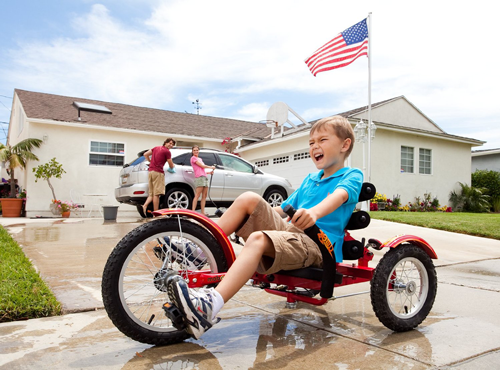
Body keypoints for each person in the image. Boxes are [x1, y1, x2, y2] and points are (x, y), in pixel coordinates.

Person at [167, 116, 363, 339]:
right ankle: (199, 251)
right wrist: (258, 212)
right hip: (292, 233)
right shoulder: (311, 179)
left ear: (344, 145)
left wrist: (314, 213)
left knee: (258, 239)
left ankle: (209, 307)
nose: (315, 146)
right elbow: (283, 208)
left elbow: (339, 196)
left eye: (323, 140)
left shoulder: (351, 175)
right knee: (249, 198)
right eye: (311, 142)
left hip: (317, 243)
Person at [143, 138, 176, 214]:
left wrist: (150, 161)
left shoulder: (156, 148)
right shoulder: (167, 152)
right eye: (170, 143)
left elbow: (145, 154)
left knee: (151, 193)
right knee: (156, 194)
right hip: (158, 172)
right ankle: (156, 213)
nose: (170, 145)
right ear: (165, 143)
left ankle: (145, 205)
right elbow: (170, 164)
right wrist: (173, 166)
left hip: (151, 172)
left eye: (172, 144)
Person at [190, 146, 216, 215]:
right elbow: (202, 166)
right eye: (194, 150)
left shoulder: (200, 159)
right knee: (197, 195)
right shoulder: (193, 158)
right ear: (192, 151)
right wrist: (211, 167)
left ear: (199, 151)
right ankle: (193, 211)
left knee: (204, 196)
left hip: (204, 177)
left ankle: (202, 212)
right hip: (199, 178)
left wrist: (209, 172)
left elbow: (202, 170)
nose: (196, 151)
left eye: (197, 150)